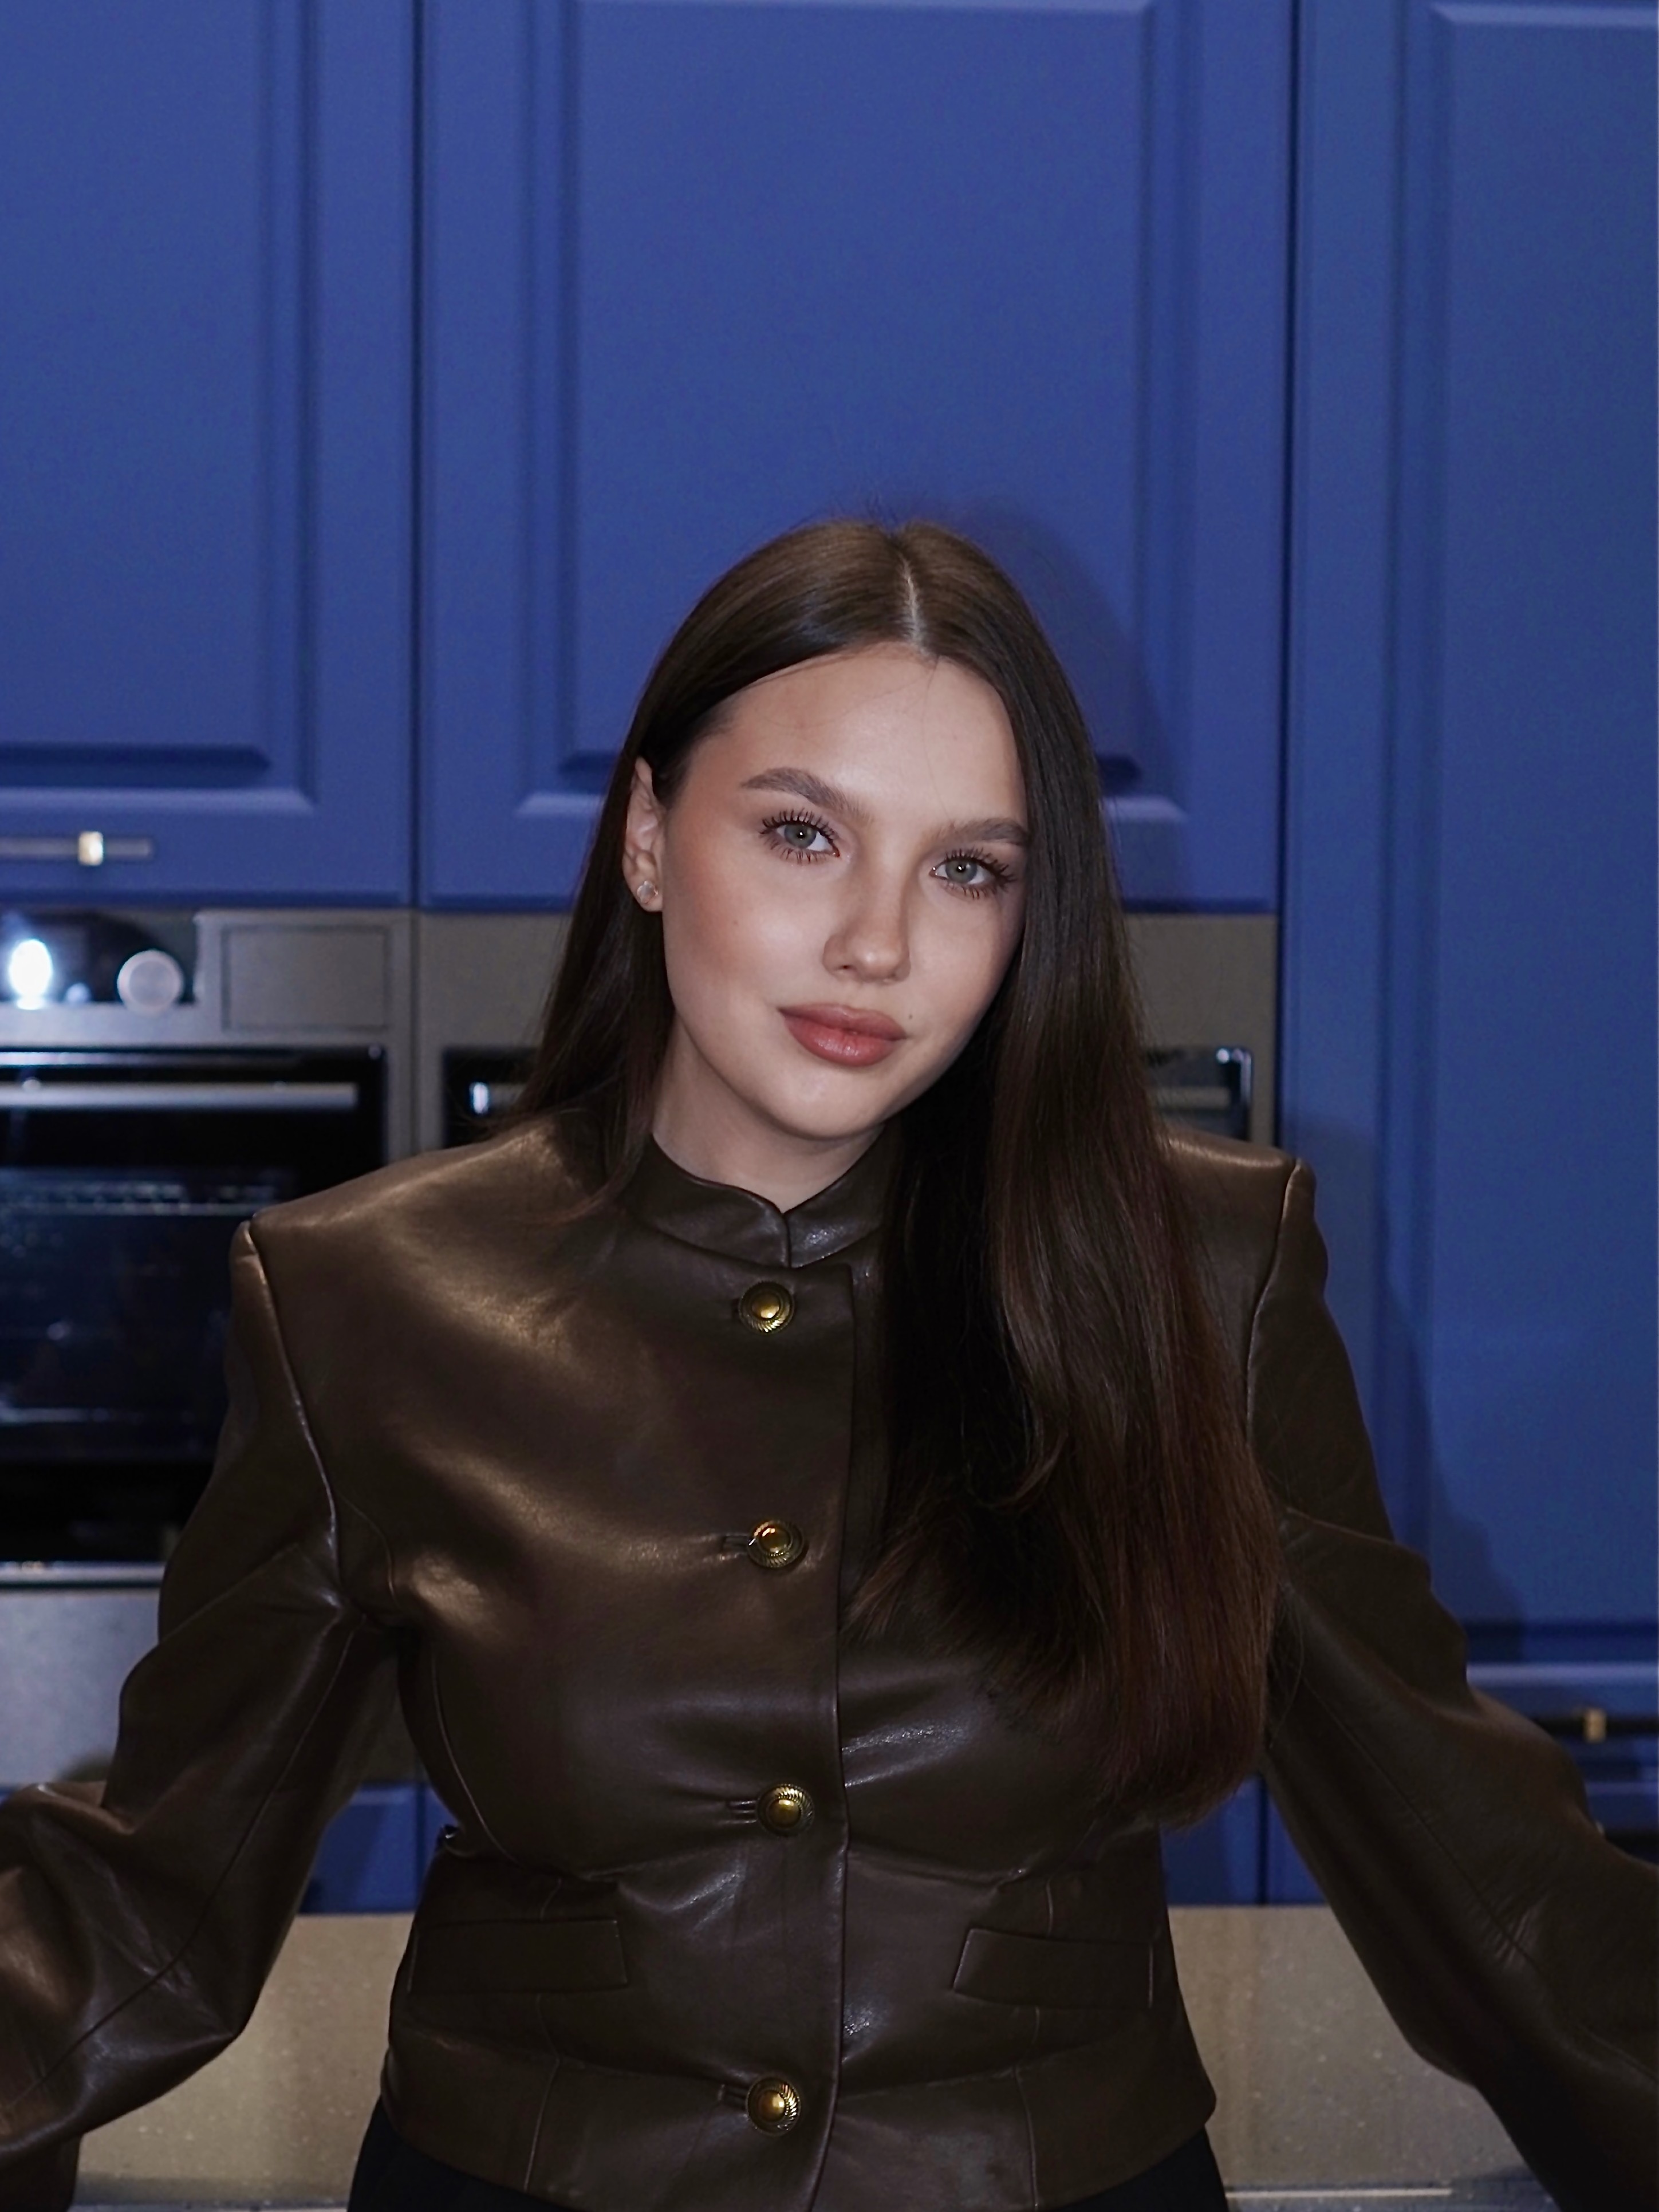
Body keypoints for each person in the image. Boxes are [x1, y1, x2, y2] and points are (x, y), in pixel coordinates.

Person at [0, 521, 1652, 2212]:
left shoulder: (1200, 1277)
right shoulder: (367, 1303)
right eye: (803, 834)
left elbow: (1473, 1868)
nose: (878, 943)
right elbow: (152, 1897)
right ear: (648, 836)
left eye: (967, 869)